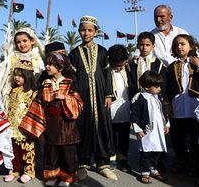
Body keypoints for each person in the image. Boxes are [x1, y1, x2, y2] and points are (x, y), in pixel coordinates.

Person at [20, 52, 83, 186]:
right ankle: (51, 176)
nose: (47, 67)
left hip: (66, 125)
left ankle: (67, 177)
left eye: (50, 64)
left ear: (60, 67)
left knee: (67, 153)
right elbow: (38, 103)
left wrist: (65, 98)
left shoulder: (69, 83)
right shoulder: (45, 84)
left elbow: (79, 103)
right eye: (46, 64)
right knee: (51, 152)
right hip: (50, 124)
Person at [68, 15, 117, 180]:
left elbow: (108, 74)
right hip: (82, 98)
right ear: (79, 32)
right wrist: (74, 97)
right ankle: (83, 164)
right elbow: (72, 78)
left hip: (101, 97)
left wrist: (109, 94)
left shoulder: (103, 52)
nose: (86, 33)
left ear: (96, 32)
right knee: (83, 128)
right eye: (83, 30)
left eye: (89, 30)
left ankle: (103, 164)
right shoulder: (74, 53)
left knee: (102, 127)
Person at [165, 34, 199, 177]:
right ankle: (181, 159)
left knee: (196, 136)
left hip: (195, 107)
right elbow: (167, 87)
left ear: (191, 46)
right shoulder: (172, 66)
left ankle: (195, 162)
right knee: (177, 137)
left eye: (183, 44)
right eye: (177, 45)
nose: (179, 47)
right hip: (177, 107)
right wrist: (168, 103)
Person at [131, 70, 170, 184]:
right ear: (147, 86)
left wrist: (166, 123)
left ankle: (153, 168)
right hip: (146, 131)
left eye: (160, 86)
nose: (159, 89)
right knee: (146, 152)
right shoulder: (140, 97)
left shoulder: (158, 97)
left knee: (156, 151)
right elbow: (134, 115)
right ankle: (145, 172)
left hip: (158, 131)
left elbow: (164, 111)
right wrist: (138, 129)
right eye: (157, 86)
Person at [0, 27, 45, 112]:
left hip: (33, 93)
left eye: (25, 41)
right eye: (18, 42)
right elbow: (2, 73)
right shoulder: (13, 56)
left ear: (32, 41)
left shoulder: (38, 56)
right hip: (13, 93)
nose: (21, 44)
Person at [4, 60, 37, 184]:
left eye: (20, 75)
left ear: (27, 76)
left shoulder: (33, 92)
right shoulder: (12, 91)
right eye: (16, 75)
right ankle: (14, 170)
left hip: (25, 127)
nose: (17, 78)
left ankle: (29, 171)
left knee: (27, 150)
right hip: (12, 125)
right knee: (13, 150)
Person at [107, 44, 131, 173]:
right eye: (118, 65)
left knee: (123, 138)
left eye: (123, 64)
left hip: (125, 110)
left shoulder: (128, 69)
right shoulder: (105, 71)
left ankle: (123, 160)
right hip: (110, 111)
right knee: (110, 137)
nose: (121, 67)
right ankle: (110, 159)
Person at [129, 31, 167, 99]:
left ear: (153, 46)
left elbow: (163, 83)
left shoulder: (159, 64)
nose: (144, 47)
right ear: (138, 45)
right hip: (135, 98)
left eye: (147, 45)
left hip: (154, 98)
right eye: (142, 44)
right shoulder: (132, 63)